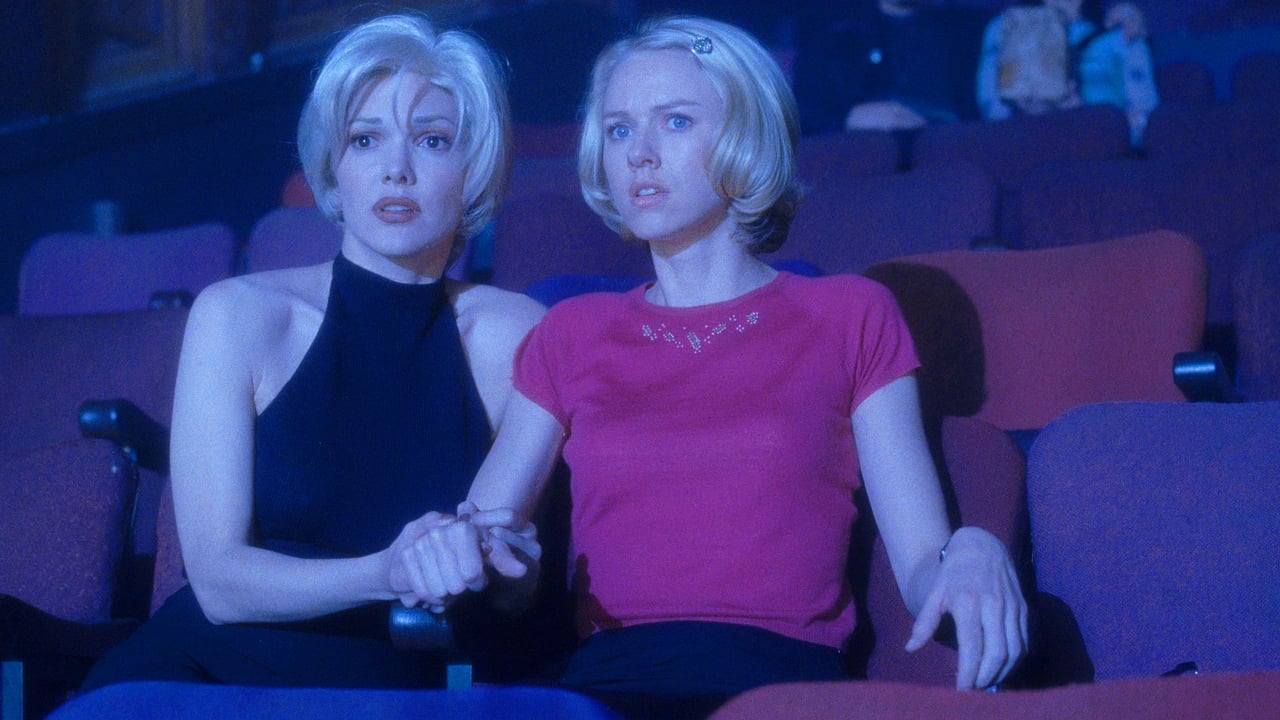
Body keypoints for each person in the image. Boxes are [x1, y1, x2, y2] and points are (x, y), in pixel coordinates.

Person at [406, 13, 1029, 710]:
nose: (639, 154)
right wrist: (465, 552)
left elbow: (921, 565)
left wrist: (972, 550)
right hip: (604, 690)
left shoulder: (851, 315)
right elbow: (492, 540)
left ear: (745, 137)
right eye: (619, 130)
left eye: (674, 122)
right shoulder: (571, 333)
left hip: (779, 691)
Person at [80, 12, 546, 692]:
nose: (396, 170)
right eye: (365, 139)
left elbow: (495, 584)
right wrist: (384, 572)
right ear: (334, 168)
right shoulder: (238, 315)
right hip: (196, 672)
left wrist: (512, 576)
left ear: (473, 169)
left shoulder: (518, 334)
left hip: (385, 684)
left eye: (432, 140)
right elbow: (218, 584)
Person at [791, 0, 991, 133]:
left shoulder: (971, 29)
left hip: (950, 149)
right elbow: (803, 111)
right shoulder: (834, 38)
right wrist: (848, 117)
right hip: (868, 154)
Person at [976, 0, 1158, 143]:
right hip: (1028, 148)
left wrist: (1087, 119)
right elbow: (993, 112)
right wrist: (1037, 113)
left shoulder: (1122, 33)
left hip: (1100, 154)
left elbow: (1146, 124)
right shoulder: (1007, 26)